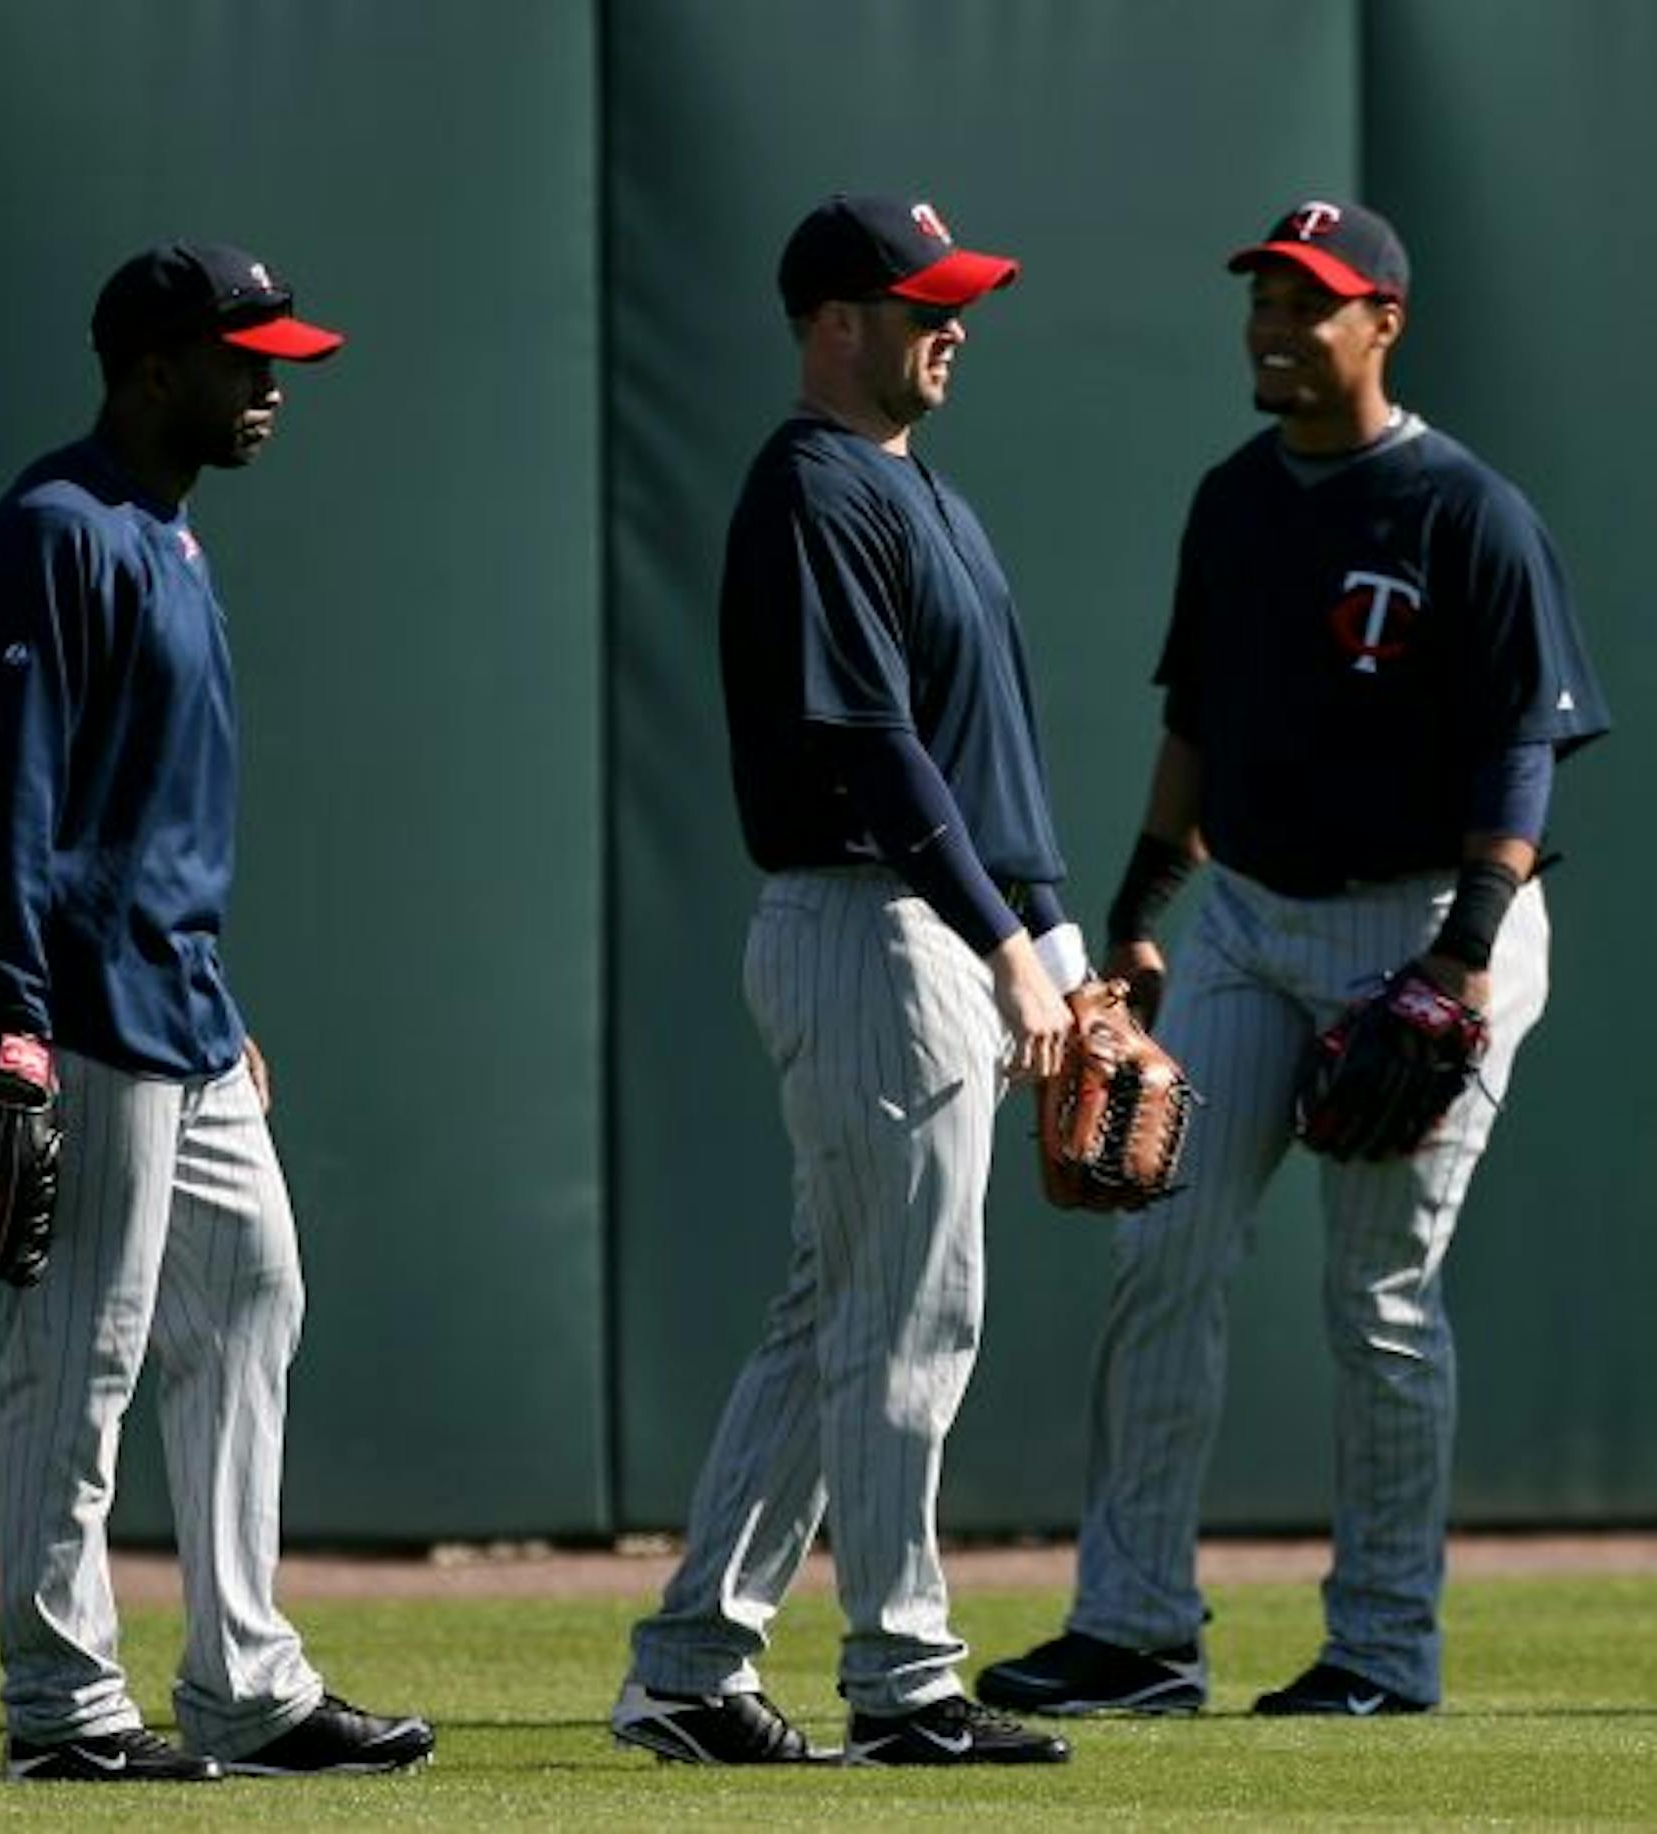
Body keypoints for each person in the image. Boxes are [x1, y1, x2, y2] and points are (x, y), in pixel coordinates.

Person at [976, 199, 1610, 1720]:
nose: (1272, 322)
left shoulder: (1468, 510)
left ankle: (1385, 1650)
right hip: (1253, 916)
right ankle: (1135, 1631)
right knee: (1162, 1250)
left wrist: (1458, 962)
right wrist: (1139, 909)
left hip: (1427, 921)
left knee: (1379, 1291)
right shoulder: (1234, 500)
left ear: (1383, 321)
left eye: (1307, 301)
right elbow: (1196, 719)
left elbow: (1523, 754)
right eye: (1261, 295)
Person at [0, 240, 435, 1783]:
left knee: (258, 1290)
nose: (271, 382)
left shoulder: (169, 538)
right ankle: (63, 1709)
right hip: (78, 1005)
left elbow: (147, 821)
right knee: (82, 1350)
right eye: (243, 355)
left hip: (180, 1005)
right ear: (150, 367)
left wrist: (218, 994)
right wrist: (5, 1024)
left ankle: (246, 1682)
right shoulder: (52, 532)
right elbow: (6, 800)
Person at [609, 193, 1084, 1769]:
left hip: (934, 927)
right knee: (908, 1317)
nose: (954, 322)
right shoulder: (813, 489)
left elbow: (986, 753)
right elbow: (874, 753)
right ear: (835, 322)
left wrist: (1060, 947)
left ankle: (691, 1662)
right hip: (870, 922)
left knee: (837, 1314)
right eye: (920, 299)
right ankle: (902, 1680)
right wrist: (1007, 944)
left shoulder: (917, 489)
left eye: (960, 297)